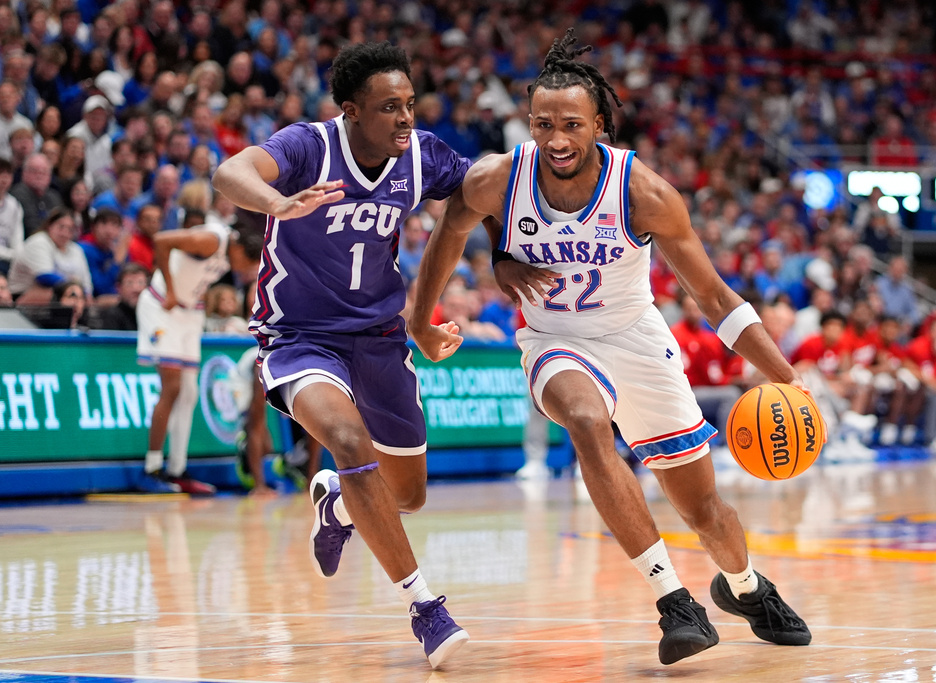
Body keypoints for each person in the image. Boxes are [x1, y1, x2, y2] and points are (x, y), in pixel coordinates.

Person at [409, 29, 814, 665]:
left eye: (571, 123)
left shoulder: (643, 192)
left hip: (636, 338)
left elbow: (713, 299)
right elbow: (450, 227)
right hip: (554, 340)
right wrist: (423, 317)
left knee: (707, 513)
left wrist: (786, 376)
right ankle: (674, 604)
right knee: (588, 423)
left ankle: (743, 586)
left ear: (600, 124)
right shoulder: (499, 177)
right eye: (542, 124)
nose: (557, 139)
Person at [211, 41, 471, 669]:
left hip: (380, 338)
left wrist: (494, 263)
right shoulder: (308, 147)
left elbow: (481, 189)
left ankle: (335, 499)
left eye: (409, 104)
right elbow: (229, 174)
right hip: (300, 336)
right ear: (352, 111)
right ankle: (426, 609)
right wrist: (277, 202)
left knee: (406, 495)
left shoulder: (422, 157)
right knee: (349, 441)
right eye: (389, 108)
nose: (405, 118)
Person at [136, 219, 262, 495]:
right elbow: (161, 240)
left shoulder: (232, 248)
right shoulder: (211, 240)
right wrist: (171, 289)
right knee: (172, 387)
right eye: (246, 264)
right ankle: (151, 468)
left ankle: (177, 470)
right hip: (162, 305)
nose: (243, 271)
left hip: (189, 311)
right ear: (239, 251)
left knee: (190, 392)